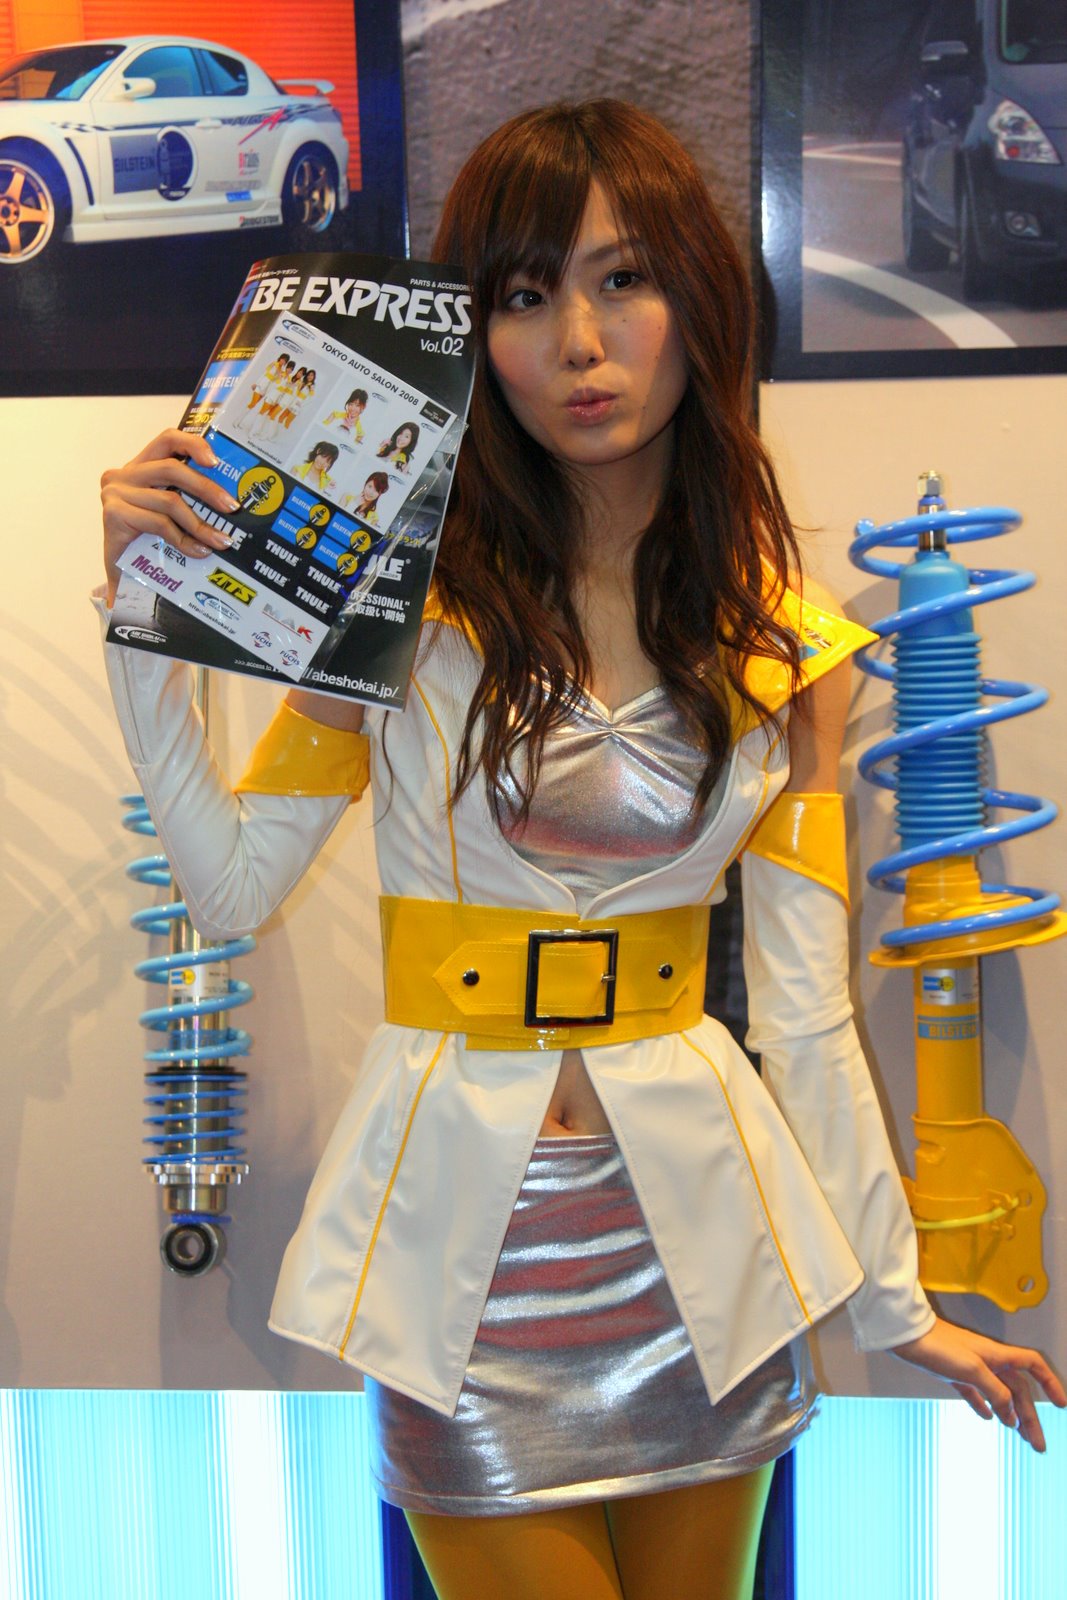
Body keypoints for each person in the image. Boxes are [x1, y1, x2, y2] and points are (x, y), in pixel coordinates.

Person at [98, 100, 1063, 1600]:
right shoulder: (400, 617)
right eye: (526, 294)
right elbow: (229, 888)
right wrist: (146, 628)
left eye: (625, 279)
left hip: (700, 1260)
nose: (581, 344)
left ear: (700, 299)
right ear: (475, 336)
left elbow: (803, 1011)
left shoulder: (786, 652)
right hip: (463, 1269)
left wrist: (895, 1304)